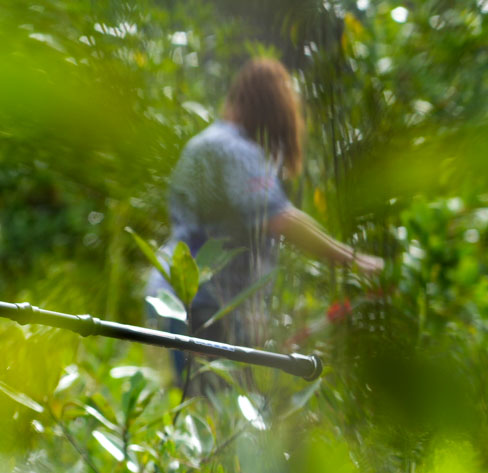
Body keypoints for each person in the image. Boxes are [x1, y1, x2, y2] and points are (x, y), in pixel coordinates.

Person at [154, 57, 383, 392]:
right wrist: (355, 260)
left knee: (201, 410)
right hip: (208, 308)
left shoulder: (203, 144)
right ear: (272, 110)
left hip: (180, 298)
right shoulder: (234, 149)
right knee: (223, 416)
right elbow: (281, 218)